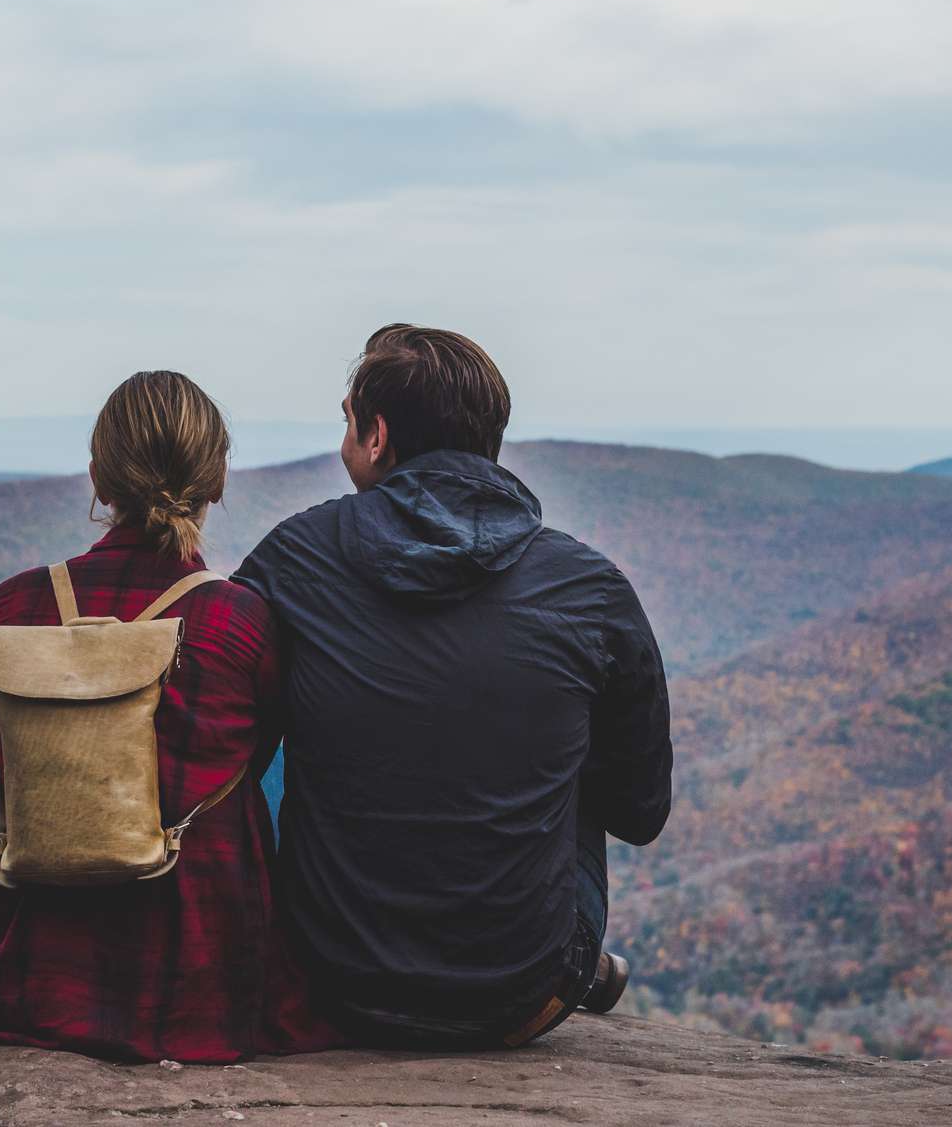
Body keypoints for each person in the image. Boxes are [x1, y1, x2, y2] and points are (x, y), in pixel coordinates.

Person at [234, 324, 672, 1049]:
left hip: (330, 978)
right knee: (567, 744)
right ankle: (570, 961)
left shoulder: (295, 560)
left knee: (280, 716)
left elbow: (225, 743)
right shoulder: (588, 587)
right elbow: (638, 809)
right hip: (522, 995)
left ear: (376, 436)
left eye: (347, 418)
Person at [0, 371, 337, 1062]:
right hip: (200, 980)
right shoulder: (241, 623)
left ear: (97, 478)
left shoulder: (11, 609)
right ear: (215, 481)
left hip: (22, 969)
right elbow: (262, 757)